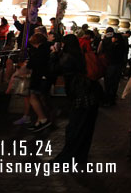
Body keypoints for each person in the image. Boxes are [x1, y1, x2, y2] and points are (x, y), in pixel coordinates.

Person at [53, 34, 102, 167]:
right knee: (85, 128)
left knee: (74, 127)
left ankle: (68, 157)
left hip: (81, 96)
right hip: (91, 94)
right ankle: (80, 156)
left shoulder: (68, 57)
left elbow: (54, 70)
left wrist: (55, 54)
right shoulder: (81, 54)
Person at [26, 33, 53, 132]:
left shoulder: (39, 52)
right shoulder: (48, 48)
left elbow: (31, 65)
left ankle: (43, 119)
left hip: (39, 77)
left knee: (33, 97)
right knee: (42, 98)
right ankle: (40, 121)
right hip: (47, 77)